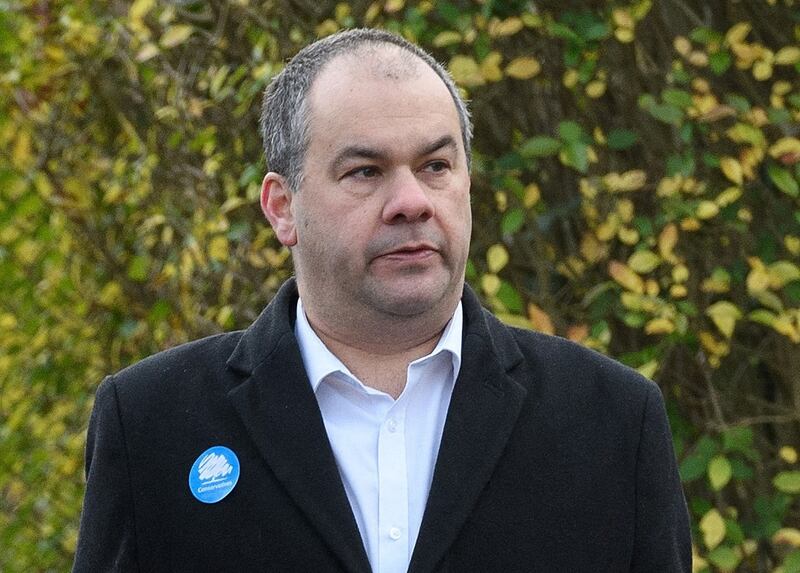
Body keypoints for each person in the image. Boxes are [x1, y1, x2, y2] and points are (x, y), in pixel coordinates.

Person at [74, 28, 691, 572]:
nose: (412, 201)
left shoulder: (612, 420)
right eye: (366, 171)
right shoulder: (153, 425)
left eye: (436, 166)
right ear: (282, 207)